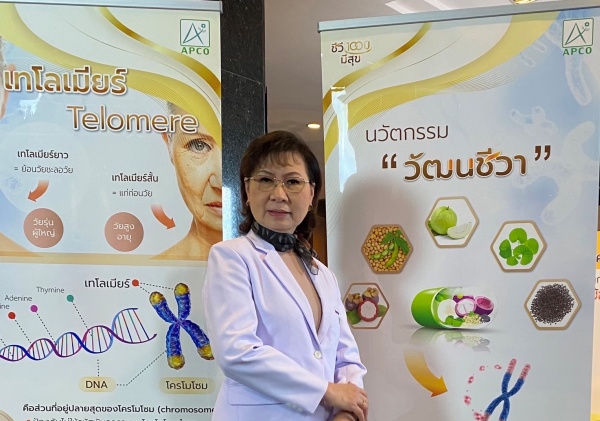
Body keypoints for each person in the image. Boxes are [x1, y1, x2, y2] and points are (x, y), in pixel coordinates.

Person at [203, 131, 368, 421]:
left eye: (292, 182)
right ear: (247, 190)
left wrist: (348, 410)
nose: (278, 195)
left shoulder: (322, 273)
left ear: (311, 194)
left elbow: (346, 357)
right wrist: (326, 391)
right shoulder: (232, 257)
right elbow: (237, 352)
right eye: (265, 180)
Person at [155, 103, 223, 260]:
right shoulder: (151, 271)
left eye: (236, 147)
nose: (219, 183)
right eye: (199, 145)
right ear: (169, 144)